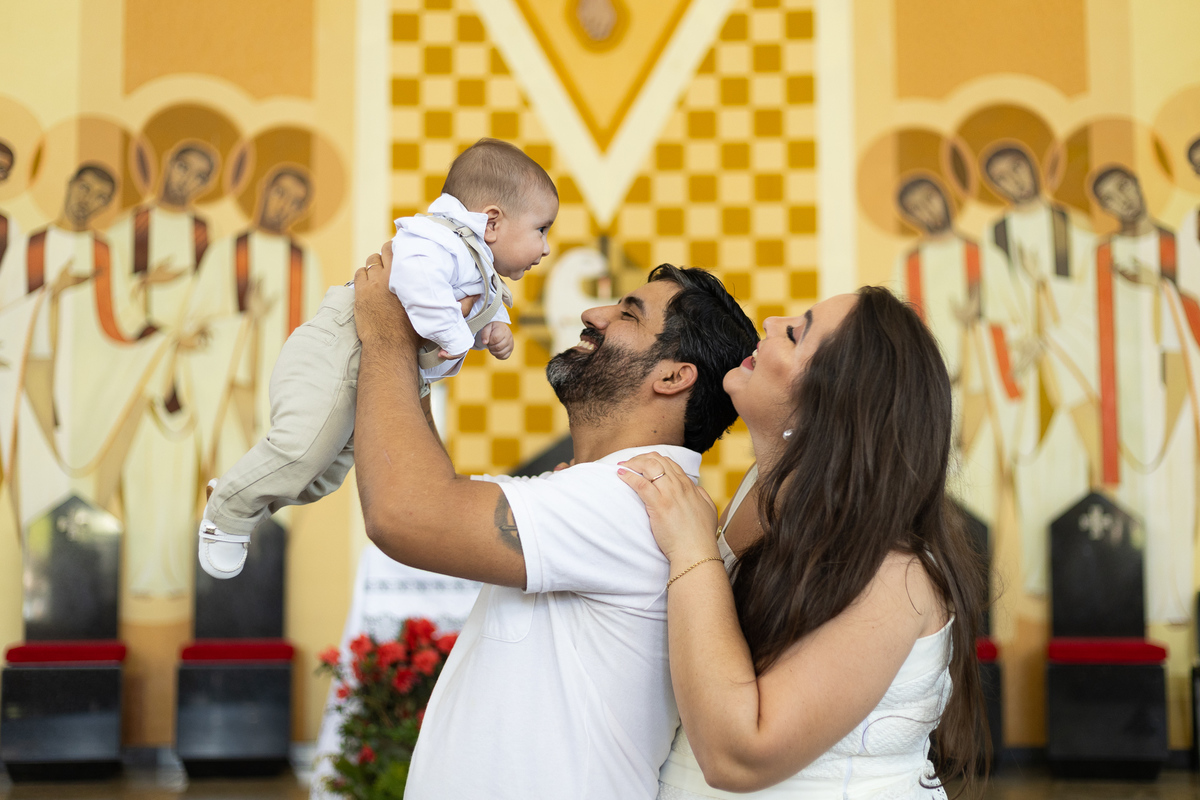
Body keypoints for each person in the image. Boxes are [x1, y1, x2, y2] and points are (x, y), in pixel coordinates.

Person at [351, 246, 758, 798]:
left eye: (628, 314)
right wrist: (419, 356)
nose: (593, 315)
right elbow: (428, 491)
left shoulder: (629, 497)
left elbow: (406, 513)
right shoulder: (622, 491)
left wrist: (386, 333)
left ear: (672, 376)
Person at [617, 287, 988, 799]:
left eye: (795, 333)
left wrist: (693, 549)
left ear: (830, 405)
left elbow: (739, 756)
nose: (771, 322)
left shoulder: (893, 574)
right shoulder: (761, 490)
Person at [198, 139, 558, 579]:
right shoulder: (438, 238)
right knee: (301, 451)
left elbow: (474, 307)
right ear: (493, 222)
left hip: (373, 364)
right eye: (542, 229)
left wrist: (493, 330)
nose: (545, 248)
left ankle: (240, 493)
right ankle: (229, 510)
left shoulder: (480, 266)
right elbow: (416, 280)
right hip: (339, 348)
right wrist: (455, 334)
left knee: (325, 474)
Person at [979, 143, 1094, 596]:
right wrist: (1016, 342)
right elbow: (993, 309)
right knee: (1030, 472)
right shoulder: (995, 235)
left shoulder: (1073, 227)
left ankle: (1072, 575)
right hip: (1023, 373)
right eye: (1002, 178)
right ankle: (1036, 577)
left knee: (1071, 467)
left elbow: (1089, 301)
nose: (1015, 181)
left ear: (1034, 167)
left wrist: (1047, 306)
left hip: (1069, 364)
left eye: (1018, 169)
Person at [1089, 165, 1200, 624]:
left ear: (1139, 185)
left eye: (1125, 187)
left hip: (1175, 388)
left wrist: (1162, 286)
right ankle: (1132, 605)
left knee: (1176, 492)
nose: (1123, 200)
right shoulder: (1101, 255)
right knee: (1132, 502)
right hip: (1123, 398)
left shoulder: (1181, 243)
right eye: (1111, 198)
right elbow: (1081, 323)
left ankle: (1174, 601)